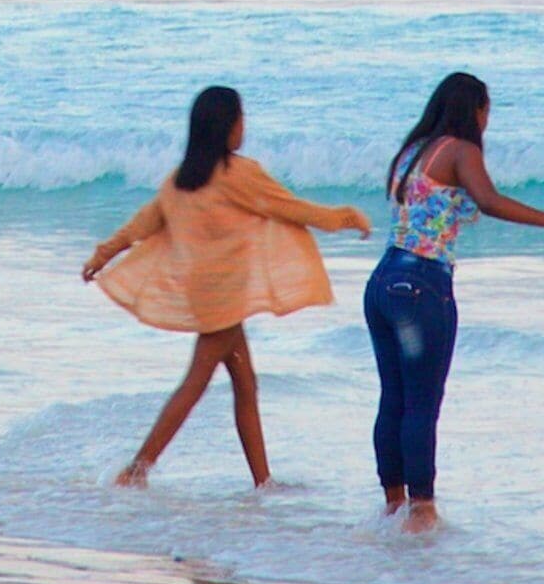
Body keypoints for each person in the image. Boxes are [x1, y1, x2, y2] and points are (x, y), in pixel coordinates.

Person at [83, 84, 373, 487]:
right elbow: (290, 208)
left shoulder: (180, 180)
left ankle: (262, 482)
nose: (244, 126)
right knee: (197, 380)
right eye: (240, 119)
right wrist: (344, 217)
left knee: (245, 383)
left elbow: (143, 224)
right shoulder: (239, 173)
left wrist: (103, 254)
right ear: (226, 126)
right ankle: (136, 470)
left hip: (203, 291)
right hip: (223, 296)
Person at [367, 71, 544, 531]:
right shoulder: (459, 150)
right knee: (422, 402)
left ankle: (393, 507)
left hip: (383, 282)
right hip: (421, 285)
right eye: (487, 111)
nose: (487, 121)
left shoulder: (413, 151)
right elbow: (488, 201)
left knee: (395, 397)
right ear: (475, 110)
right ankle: (421, 512)